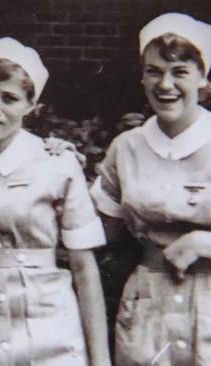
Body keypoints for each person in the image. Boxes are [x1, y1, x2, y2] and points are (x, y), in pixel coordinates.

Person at [0, 37, 110, 366]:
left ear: (30, 106)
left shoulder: (57, 162)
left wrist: (100, 359)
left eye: (10, 99)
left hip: (51, 330)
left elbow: (83, 267)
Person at [90, 13, 211, 366]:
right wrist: (52, 163)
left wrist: (203, 242)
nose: (165, 84)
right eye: (154, 71)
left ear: (203, 79)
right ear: (142, 77)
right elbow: (102, 233)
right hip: (147, 307)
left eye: (180, 72)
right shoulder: (126, 147)